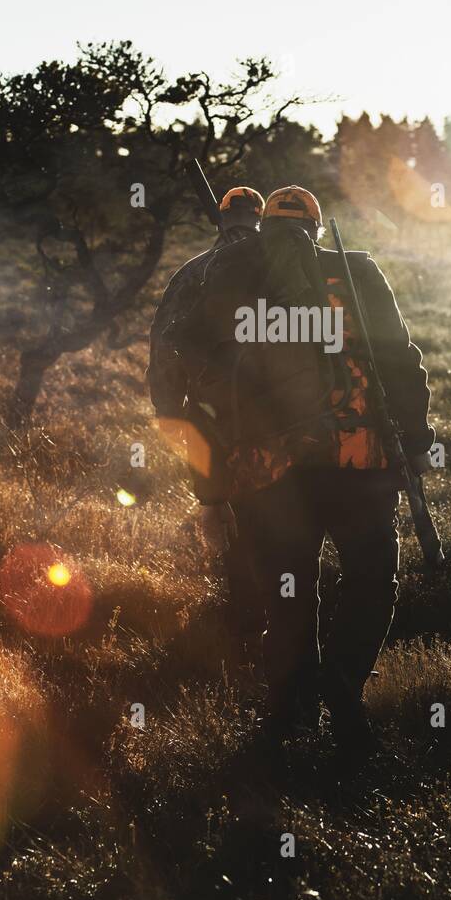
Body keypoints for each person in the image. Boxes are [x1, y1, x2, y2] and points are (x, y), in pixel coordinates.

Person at [178, 183, 436, 753]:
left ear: (265, 228)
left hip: (266, 471)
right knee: (370, 580)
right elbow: (401, 359)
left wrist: (214, 472)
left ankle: (288, 711)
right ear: (317, 230)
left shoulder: (230, 275)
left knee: (289, 591)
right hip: (357, 462)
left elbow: (189, 366)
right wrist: (417, 442)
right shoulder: (356, 272)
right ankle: (342, 687)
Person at [147, 185, 266, 653]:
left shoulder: (193, 272)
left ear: (220, 218)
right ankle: (282, 630)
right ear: (259, 218)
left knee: (226, 514)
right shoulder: (286, 268)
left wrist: (172, 417)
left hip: (213, 420)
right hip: (286, 418)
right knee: (282, 521)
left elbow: (164, 350)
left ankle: (243, 629)